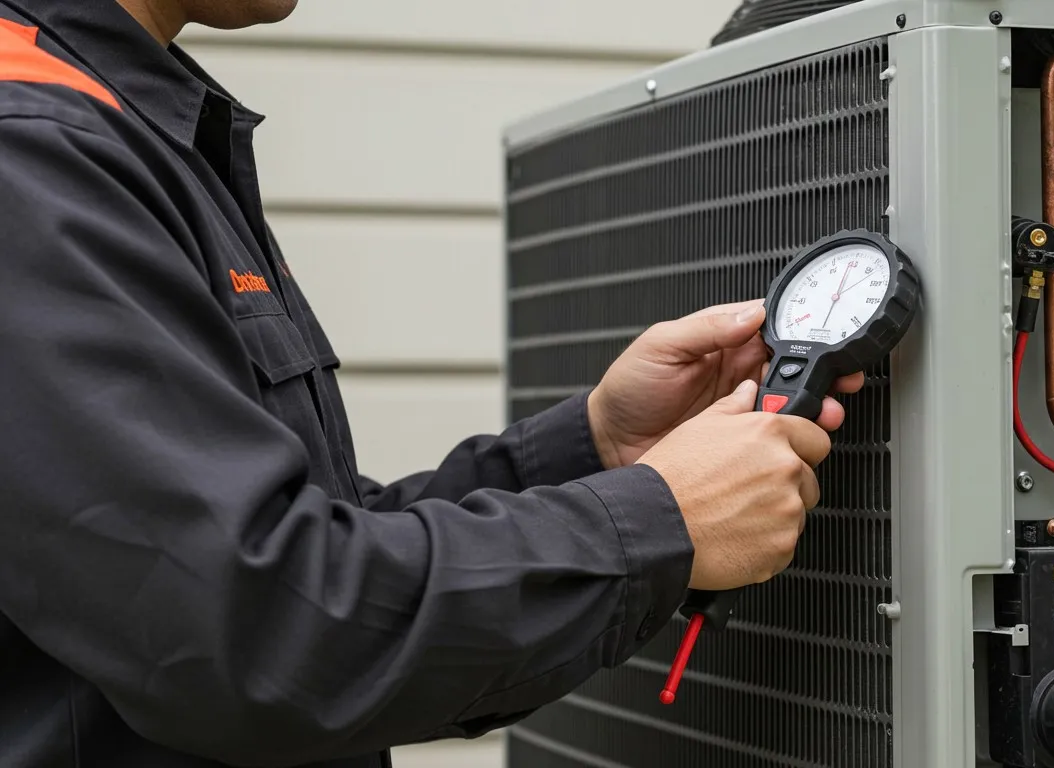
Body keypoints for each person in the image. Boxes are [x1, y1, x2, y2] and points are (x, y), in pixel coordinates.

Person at [0, 0, 863, 766]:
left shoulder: (117, 124)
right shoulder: (33, 149)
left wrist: (597, 448)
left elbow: (305, 547)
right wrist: (655, 521)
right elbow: (260, 629)